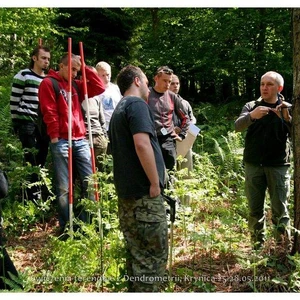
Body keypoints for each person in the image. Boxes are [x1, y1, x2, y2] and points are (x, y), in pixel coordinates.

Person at [108, 65, 168, 292]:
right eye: (146, 81)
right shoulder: (136, 105)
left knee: (137, 258)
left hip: (128, 198)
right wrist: (155, 182)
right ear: (136, 81)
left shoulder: (119, 109)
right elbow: (142, 144)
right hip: (145, 198)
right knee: (152, 263)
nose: (149, 87)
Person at [38, 53, 105, 233]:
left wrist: (85, 68)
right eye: (73, 69)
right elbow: (49, 111)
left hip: (80, 139)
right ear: (61, 66)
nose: (75, 73)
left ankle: (87, 223)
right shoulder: (48, 83)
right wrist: (54, 137)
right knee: (64, 187)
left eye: (77, 70)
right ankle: (67, 226)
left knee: (90, 182)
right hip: (61, 139)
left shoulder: (75, 84)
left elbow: (99, 87)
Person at [235, 71, 292, 250]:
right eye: (262, 84)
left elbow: (295, 134)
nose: (264, 88)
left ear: (279, 88)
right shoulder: (251, 106)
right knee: (254, 210)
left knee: (280, 211)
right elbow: (237, 126)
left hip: (278, 165)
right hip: (254, 165)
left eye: (269, 84)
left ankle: (282, 249)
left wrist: (287, 119)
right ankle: (257, 247)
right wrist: (252, 116)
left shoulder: (287, 107)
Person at [10, 45, 51, 201]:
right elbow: (14, 101)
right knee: (31, 158)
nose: (46, 61)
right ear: (34, 58)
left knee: (41, 157)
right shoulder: (23, 75)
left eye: (48, 59)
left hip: (43, 124)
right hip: (26, 122)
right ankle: (32, 195)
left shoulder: (47, 79)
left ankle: (37, 190)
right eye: (43, 58)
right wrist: (16, 122)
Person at [148, 66, 190, 171]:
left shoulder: (172, 97)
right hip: (150, 139)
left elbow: (185, 117)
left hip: (168, 139)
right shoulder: (146, 95)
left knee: (171, 171)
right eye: (165, 81)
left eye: (169, 81)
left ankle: (170, 187)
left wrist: (182, 134)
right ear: (156, 79)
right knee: (152, 171)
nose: (167, 84)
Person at [81, 66, 108, 171]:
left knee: (99, 170)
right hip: (85, 137)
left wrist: (104, 137)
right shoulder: (77, 93)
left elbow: (102, 120)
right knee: (86, 171)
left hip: (99, 137)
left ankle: (100, 187)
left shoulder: (96, 98)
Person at [170, 74, 197, 174]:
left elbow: (192, 119)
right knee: (171, 174)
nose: (175, 86)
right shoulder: (160, 103)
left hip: (185, 141)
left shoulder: (185, 103)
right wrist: (170, 129)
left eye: (177, 83)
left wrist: (186, 127)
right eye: (172, 83)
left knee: (186, 173)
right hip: (168, 142)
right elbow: (157, 123)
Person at [95, 61, 122, 131]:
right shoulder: (95, 91)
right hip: (102, 128)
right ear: (97, 75)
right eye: (103, 75)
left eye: (108, 74)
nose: (106, 78)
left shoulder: (116, 89)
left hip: (117, 125)